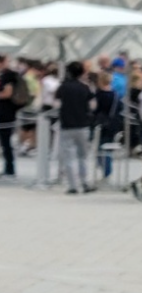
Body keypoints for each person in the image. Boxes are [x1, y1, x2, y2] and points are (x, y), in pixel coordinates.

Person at [56, 60, 94, 194]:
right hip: (83, 124)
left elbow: (56, 101)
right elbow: (92, 105)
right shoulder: (85, 87)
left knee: (69, 156)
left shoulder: (64, 87)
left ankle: (72, 185)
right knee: (83, 156)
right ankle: (85, 182)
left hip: (67, 125)